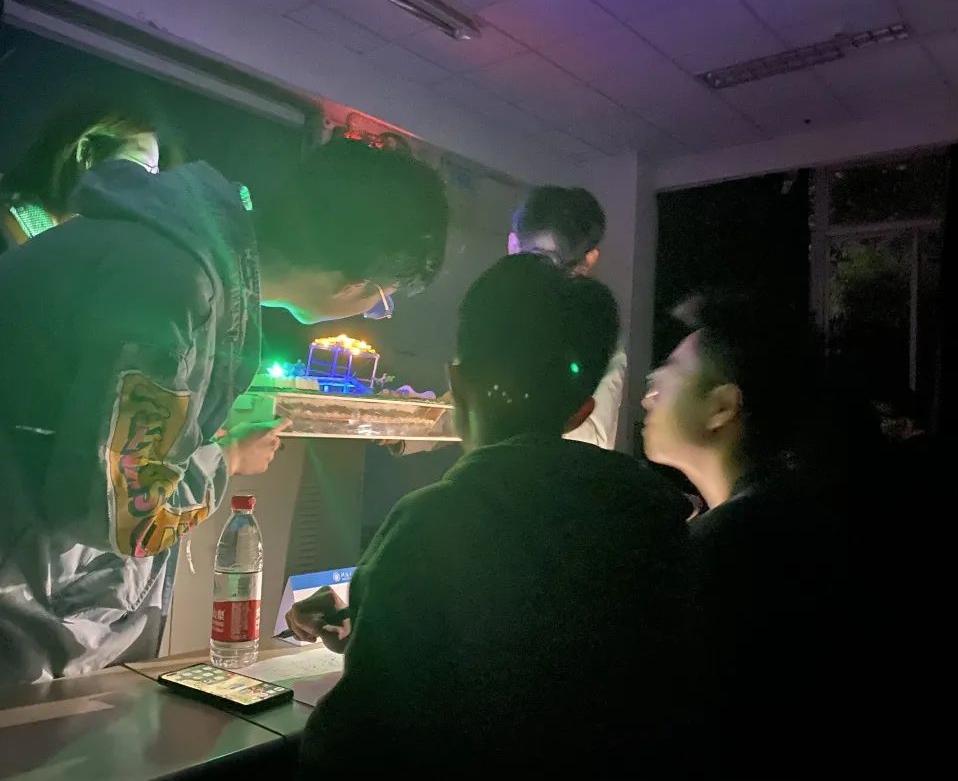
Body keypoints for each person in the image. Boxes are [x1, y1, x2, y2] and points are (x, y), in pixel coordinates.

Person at [0, 138, 448, 710]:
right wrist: (227, 459)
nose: (373, 310)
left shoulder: (169, 249)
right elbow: (119, 512)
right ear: (352, 280)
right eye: (383, 298)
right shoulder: (175, 282)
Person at [294, 255, 696, 775]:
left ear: (456, 383)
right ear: (581, 412)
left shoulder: (429, 525)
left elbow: (353, 743)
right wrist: (365, 622)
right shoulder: (655, 524)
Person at [641, 293, 958, 777]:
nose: (649, 393)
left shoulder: (736, 547)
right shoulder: (784, 515)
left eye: (668, 375)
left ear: (722, 406)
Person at [0, 100, 171, 371]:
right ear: (85, 154)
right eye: (141, 168)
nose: (148, 188)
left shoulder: (67, 254)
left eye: (155, 175)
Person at [392, 185, 626, 456]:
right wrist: (411, 420)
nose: (543, 277)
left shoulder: (594, 330)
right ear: (513, 245)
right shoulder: (494, 309)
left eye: (557, 263)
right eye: (536, 258)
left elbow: (595, 438)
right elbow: (475, 396)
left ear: (588, 260)